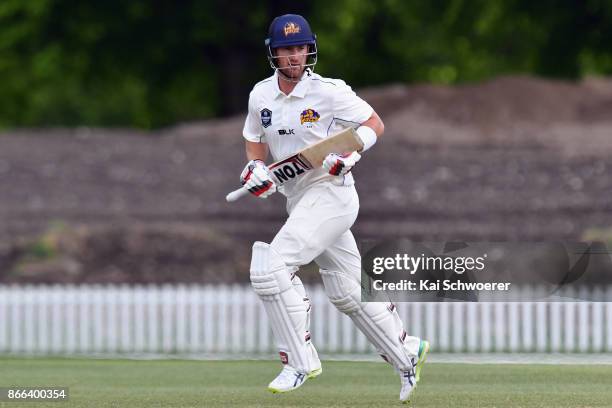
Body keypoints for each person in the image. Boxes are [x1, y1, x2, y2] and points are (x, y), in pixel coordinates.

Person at [239, 14, 429, 403]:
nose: (294, 57)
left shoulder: (328, 92)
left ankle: (298, 361)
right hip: (298, 199)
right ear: (273, 53)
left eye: (299, 49)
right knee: (347, 292)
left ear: (310, 49)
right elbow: (254, 137)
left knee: (269, 268)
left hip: (332, 194)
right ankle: (406, 351)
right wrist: (255, 168)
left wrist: (350, 154)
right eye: (286, 50)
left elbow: (373, 123)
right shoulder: (260, 95)